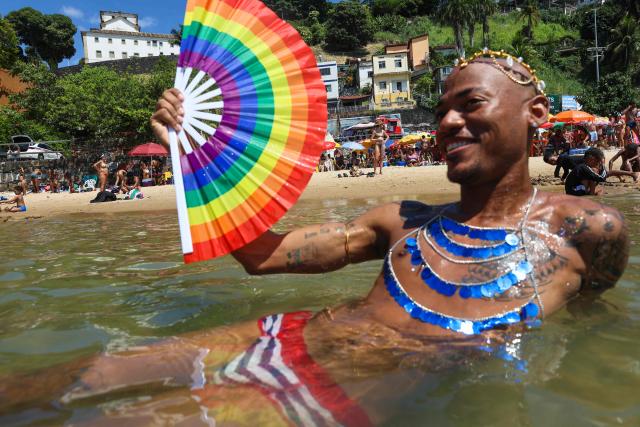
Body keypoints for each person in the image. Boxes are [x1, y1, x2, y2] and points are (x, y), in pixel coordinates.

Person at [2, 51, 631, 423]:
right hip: (290, 332)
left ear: (536, 116)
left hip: (360, 379)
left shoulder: (589, 230)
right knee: (77, 374)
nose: (447, 122)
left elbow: (591, 320)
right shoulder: (401, 220)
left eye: (469, 104)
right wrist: (187, 152)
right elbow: (260, 256)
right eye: (441, 110)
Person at [565, 147, 638, 196]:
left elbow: (606, 173)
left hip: (577, 188)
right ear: (592, 159)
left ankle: (591, 193)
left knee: (597, 181)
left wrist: (630, 174)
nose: (600, 163)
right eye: (599, 161)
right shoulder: (584, 167)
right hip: (573, 191)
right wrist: (604, 172)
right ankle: (591, 194)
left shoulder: (590, 166)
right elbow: (600, 178)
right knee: (594, 176)